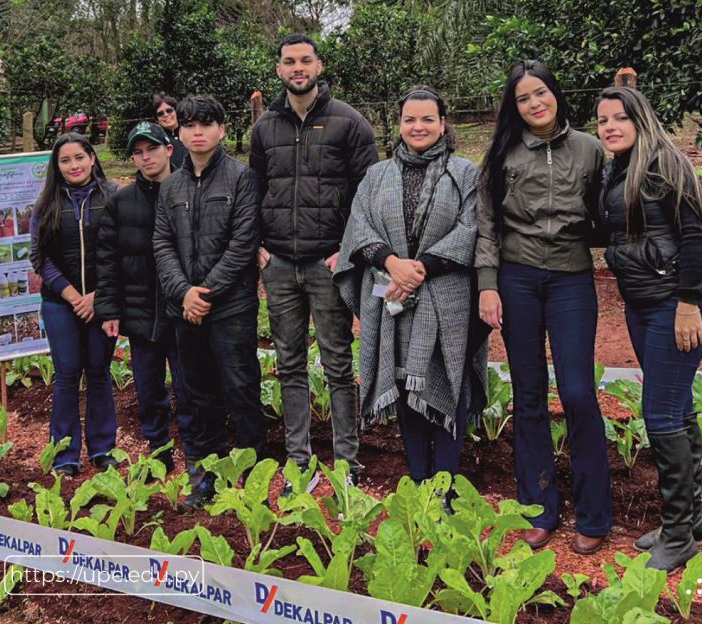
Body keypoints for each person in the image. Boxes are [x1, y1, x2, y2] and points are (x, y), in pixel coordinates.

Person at [476, 60, 612, 554]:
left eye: (541, 93)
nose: (534, 104)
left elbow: (607, 211)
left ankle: (595, 513)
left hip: (572, 279)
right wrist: (488, 284)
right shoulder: (503, 153)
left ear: (555, 93)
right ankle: (539, 508)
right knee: (529, 394)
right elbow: (487, 223)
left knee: (578, 392)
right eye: (523, 99)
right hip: (517, 280)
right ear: (514, 108)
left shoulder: (590, 150)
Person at [335, 88, 487, 500]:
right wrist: (392, 263)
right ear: (399, 124)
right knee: (404, 381)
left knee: (449, 379)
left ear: (443, 123)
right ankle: (421, 484)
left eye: (427, 119)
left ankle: (446, 486)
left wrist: (421, 268)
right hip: (392, 293)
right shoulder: (376, 176)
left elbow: (472, 228)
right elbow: (359, 227)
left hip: (449, 295)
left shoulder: (466, 173)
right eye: (409, 119)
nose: (418, 127)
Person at [249, 34, 378, 496]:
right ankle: (298, 463)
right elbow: (256, 191)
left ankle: (347, 461)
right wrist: (258, 247)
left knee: (339, 363)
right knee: (289, 365)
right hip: (280, 265)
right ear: (279, 68)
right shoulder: (264, 128)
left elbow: (369, 194)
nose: (297, 67)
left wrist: (350, 247)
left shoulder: (350, 123)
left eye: (305, 60)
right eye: (289, 61)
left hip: (329, 264)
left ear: (319, 66)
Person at [596, 85, 702, 572]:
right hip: (641, 305)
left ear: (640, 119)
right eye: (602, 119)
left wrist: (688, 302)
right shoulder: (616, 170)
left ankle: (678, 534)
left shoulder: (667, 163)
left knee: (662, 415)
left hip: (675, 305)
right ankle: (692, 522)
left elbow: (695, 233)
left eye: (619, 118)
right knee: (679, 408)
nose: (609, 126)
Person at [153, 94, 265, 508]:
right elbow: (161, 243)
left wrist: (206, 291)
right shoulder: (171, 186)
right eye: (188, 125)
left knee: (241, 387)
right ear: (178, 132)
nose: (197, 133)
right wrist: (184, 291)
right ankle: (205, 477)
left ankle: (254, 481)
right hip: (186, 310)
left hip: (231, 306)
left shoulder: (241, 178)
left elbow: (243, 243)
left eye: (206, 124)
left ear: (221, 129)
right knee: (197, 393)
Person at [95, 121, 196, 472]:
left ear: (169, 149)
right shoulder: (121, 202)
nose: (145, 157)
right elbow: (106, 259)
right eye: (137, 152)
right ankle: (159, 450)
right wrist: (108, 308)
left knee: (188, 387)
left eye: (151, 148)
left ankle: (195, 453)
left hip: (182, 312)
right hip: (139, 314)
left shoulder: (188, 193)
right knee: (149, 388)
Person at [29, 133, 118, 476]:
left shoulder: (113, 198)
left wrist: (98, 296)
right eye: (65, 160)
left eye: (79, 157)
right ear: (57, 166)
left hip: (102, 300)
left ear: (92, 158)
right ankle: (65, 454)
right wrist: (73, 296)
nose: (74, 165)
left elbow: (122, 251)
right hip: (60, 303)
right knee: (66, 374)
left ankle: (103, 449)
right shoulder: (46, 204)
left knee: (99, 371)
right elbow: (41, 258)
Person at [153, 93, 188, 170]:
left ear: (176, 112)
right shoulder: (157, 141)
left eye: (169, 110)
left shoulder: (190, 134)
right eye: (160, 114)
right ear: (157, 120)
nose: (165, 115)